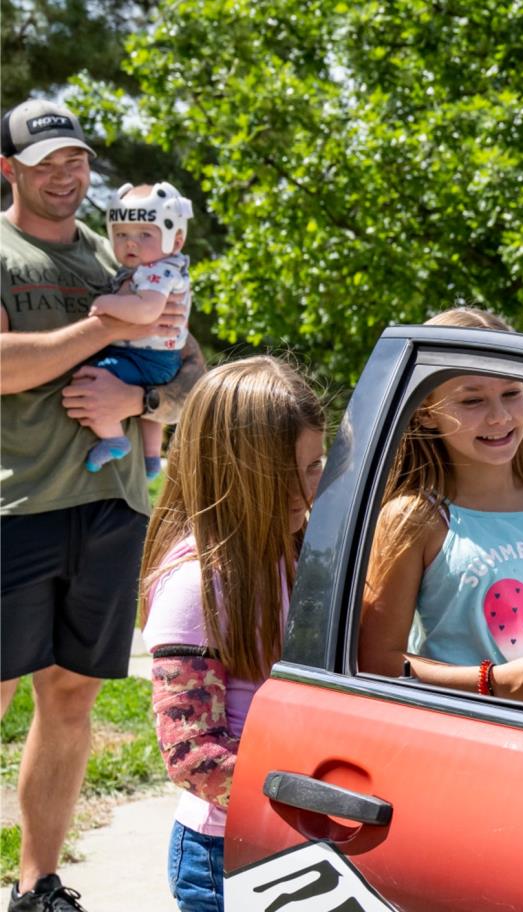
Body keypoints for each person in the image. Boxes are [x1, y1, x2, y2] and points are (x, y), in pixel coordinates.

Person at [1, 97, 206, 912]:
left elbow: (186, 373)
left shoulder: (121, 255)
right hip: (12, 509)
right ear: (8, 169)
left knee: (72, 695)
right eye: (48, 162)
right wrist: (103, 326)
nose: (67, 176)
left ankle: (36, 884)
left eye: (77, 161)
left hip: (111, 506)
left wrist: (136, 403)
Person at [359, 308, 523, 706]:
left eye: (511, 393)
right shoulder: (415, 518)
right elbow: (376, 659)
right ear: (427, 414)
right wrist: (494, 682)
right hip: (466, 740)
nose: (498, 416)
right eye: (472, 400)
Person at [140, 356, 326, 912]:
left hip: (290, 838)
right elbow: (193, 756)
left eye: (315, 466)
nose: (302, 489)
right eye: (280, 473)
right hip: (224, 854)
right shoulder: (199, 580)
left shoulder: (294, 552)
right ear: (224, 468)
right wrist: (317, 800)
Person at [83, 181, 196, 477]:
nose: (130, 243)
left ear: (176, 238)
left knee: (91, 380)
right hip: (159, 360)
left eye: (144, 234)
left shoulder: (157, 271)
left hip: (146, 359)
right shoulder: (163, 266)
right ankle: (149, 458)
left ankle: (113, 438)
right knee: (150, 417)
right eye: (121, 234)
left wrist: (105, 303)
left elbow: (146, 311)